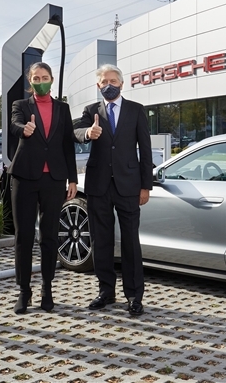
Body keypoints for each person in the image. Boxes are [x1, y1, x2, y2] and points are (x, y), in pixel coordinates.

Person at [73, 64, 152, 316]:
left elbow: (146, 150)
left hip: (129, 186)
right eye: (104, 81)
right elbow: (74, 132)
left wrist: (145, 185)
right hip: (98, 185)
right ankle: (106, 291)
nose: (109, 84)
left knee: (130, 242)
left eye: (113, 80)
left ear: (121, 83)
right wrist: (88, 132)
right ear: (98, 86)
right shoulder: (91, 111)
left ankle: (134, 296)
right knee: (101, 241)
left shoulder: (136, 110)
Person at [7, 62, 78, 314]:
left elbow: (67, 143)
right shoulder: (21, 105)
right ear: (30, 81)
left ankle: (47, 288)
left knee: (49, 236)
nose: (40, 81)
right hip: (25, 177)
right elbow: (14, 125)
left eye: (44, 77)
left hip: (54, 179)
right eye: (36, 78)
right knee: (23, 236)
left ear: (51, 78)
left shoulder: (62, 108)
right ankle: (24, 291)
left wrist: (72, 179)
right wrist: (24, 129)